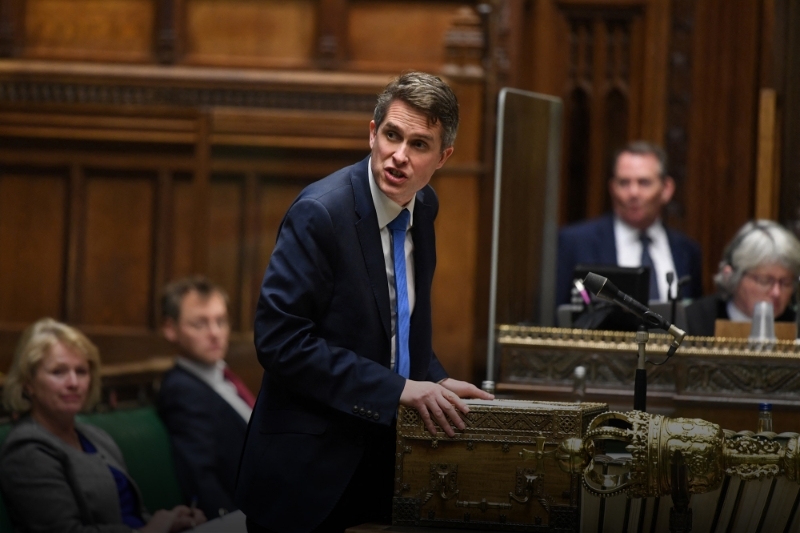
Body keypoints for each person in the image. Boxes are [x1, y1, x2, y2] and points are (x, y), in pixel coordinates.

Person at [235, 71, 494, 533]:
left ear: (443, 157)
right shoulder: (321, 212)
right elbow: (280, 343)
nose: (399, 156)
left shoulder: (424, 206)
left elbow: (398, 326)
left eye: (419, 145)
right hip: (306, 472)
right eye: (392, 135)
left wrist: (434, 378)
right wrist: (398, 389)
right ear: (372, 132)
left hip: (383, 460)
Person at [0, 318, 205, 533]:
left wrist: (173, 522)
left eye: (81, 371)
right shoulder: (26, 450)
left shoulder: (96, 436)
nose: (73, 383)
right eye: (58, 372)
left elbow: (134, 513)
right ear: (29, 384)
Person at [556, 141, 703, 306]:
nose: (633, 193)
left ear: (666, 189)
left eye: (644, 183)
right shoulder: (575, 243)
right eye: (624, 183)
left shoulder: (687, 250)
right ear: (612, 188)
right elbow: (551, 317)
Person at [157, 276, 254, 520]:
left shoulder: (224, 375)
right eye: (200, 324)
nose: (215, 334)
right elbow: (201, 476)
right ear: (171, 329)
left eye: (221, 321)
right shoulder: (183, 390)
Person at [685, 220, 800, 336]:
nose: (776, 292)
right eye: (764, 281)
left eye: (786, 283)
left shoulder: (796, 324)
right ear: (733, 276)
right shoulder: (694, 321)